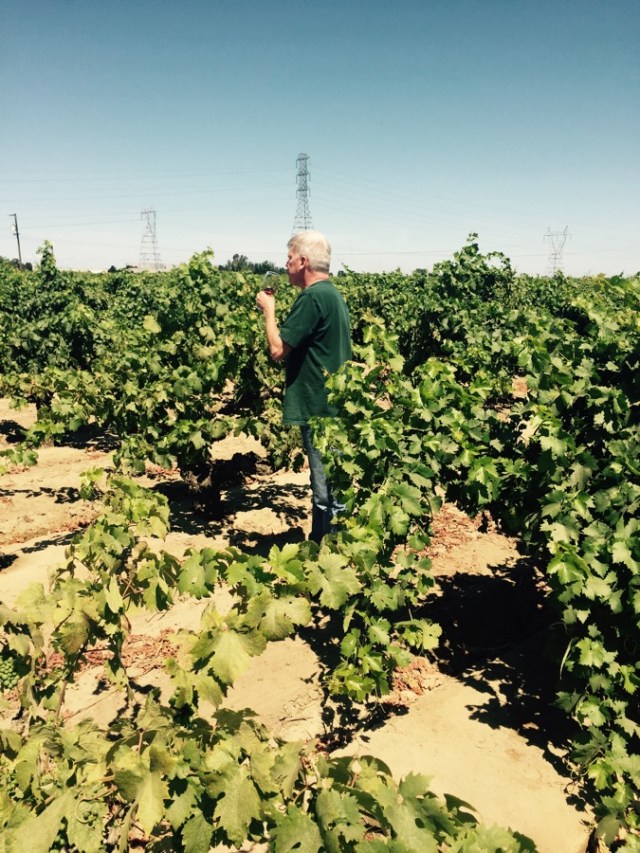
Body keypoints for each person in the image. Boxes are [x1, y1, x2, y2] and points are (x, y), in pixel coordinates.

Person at [256, 230, 351, 543]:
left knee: (327, 491)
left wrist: (269, 311)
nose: (286, 264)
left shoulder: (312, 297)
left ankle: (334, 555)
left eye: (289, 258)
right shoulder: (332, 294)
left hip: (319, 406)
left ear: (304, 261)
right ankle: (318, 544)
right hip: (333, 403)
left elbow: (277, 350)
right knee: (326, 485)